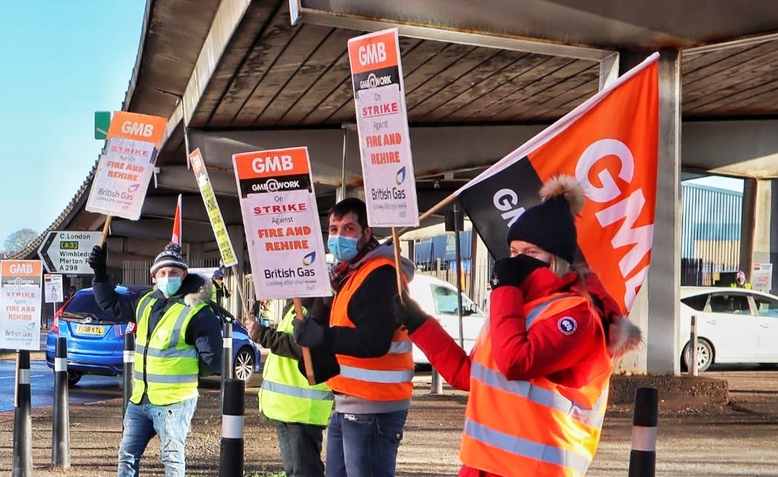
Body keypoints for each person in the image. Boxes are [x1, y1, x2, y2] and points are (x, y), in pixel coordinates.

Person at [394, 176, 642, 477]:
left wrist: (505, 288)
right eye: (514, 252)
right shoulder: (517, 306)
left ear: (557, 260)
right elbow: (468, 376)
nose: (517, 262)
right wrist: (419, 322)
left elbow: (516, 362)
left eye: (531, 253)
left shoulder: (577, 316)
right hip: (481, 466)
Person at [293, 198, 416, 477]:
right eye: (333, 229)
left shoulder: (379, 274)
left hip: (374, 407)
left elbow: (373, 341)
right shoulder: (349, 275)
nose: (338, 236)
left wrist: (322, 335)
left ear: (366, 232)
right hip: (351, 402)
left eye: (348, 228)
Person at [88, 242, 223, 477]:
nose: (167, 277)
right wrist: (100, 273)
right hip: (140, 399)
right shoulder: (146, 301)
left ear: (184, 275)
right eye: (162, 273)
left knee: (171, 459)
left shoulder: (197, 311)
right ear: (154, 277)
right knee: (127, 456)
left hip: (174, 402)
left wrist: (185, 370)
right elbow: (109, 303)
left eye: (174, 273)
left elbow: (213, 360)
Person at [246, 299, 334, 477]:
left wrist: (263, 335)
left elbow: (304, 348)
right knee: (295, 471)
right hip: (288, 408)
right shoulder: (297, 304)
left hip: (303, 410)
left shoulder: (321, 305)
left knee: (305, 471)